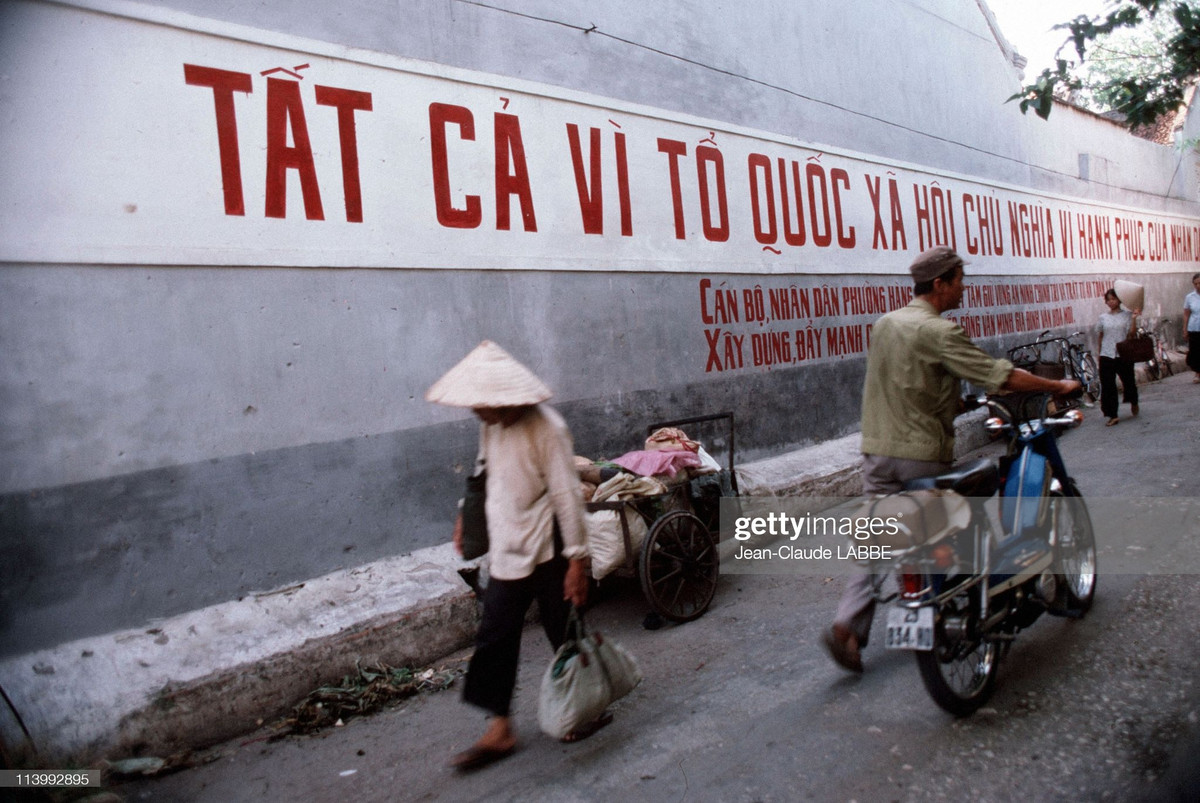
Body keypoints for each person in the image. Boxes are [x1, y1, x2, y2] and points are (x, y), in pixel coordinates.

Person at [823, 247, 1081, 673]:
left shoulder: (886, 324)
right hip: (919, 457)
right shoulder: (940, 331)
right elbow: (999, 375)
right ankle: (963, 607)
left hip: (877, 451)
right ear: (940, 284)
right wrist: (1058, 387)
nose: (965, 286)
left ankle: (848, 627)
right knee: (959, 520)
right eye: (959, 279)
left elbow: (908, 381)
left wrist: (953, 404)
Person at [425, 340, 597, 771]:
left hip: (548, 546)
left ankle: (584, 706)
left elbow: (567, 496)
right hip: (507, 545)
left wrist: (577, 561)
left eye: (485, 405)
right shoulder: (491, 424)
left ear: (508, 398)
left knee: (564, 632)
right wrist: (467, 514)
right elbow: (483, 470)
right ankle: (500, 728)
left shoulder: (548, 428)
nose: (478, 413)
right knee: (495, 634)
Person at [1095, 287, 1139, 425]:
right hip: (1107, 354)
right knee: (1108, 385)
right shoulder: (1103, 318)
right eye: (1108, 300)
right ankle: (1112, 414)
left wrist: (1133, 319)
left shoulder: (1127, 315)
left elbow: (1131, 334)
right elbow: (1101, 335)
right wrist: (1099, 352)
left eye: (1113, 299)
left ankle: (1133, 401)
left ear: (1119, 300)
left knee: (1128, 381)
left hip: (1123, 354)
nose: (1111, 302)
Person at [1185, 272, 1200, 383]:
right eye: (1196, 284)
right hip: (1194, 328)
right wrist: (1184, 329)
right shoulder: (1190, 297)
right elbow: (1186, 314)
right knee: (1195, 352)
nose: (1198, 286)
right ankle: (1197, 373)